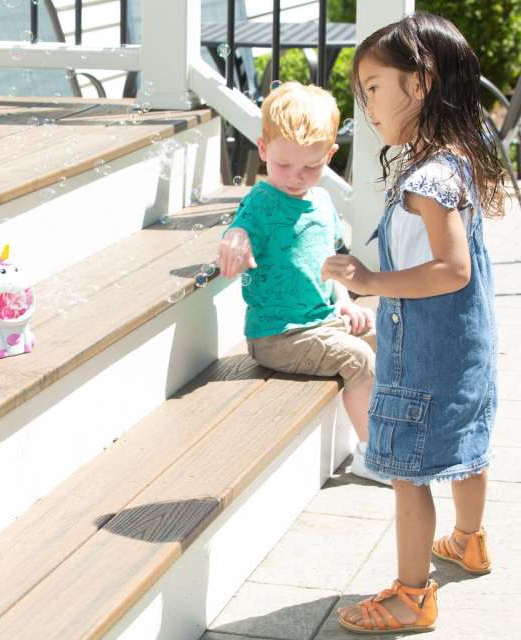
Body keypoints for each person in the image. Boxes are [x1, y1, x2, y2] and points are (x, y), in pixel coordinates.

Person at [321, 11, 506, 634]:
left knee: (409, 474)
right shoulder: (454, 164)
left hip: (427, 355)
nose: (367, 105)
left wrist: (370, 284)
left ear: (420, 83)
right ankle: (469, 541)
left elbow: (450, 269)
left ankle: (411, 595)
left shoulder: (428, 179)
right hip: (465, 347)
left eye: (374, 87)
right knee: (466, 448)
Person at [217, 81, 389, 485]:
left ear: (330, 155)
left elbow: (329, 262)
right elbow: (239, 228)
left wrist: (345, 300)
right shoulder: (261, 202)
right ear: (262, 150)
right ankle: (372, 455)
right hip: (279, 335)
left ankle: (392, 427)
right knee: (357, 359)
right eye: (283, 166)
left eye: (310, 167)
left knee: (391, 331)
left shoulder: (322, 202)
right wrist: (235, 241)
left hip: (322, 321)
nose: (295, 178)